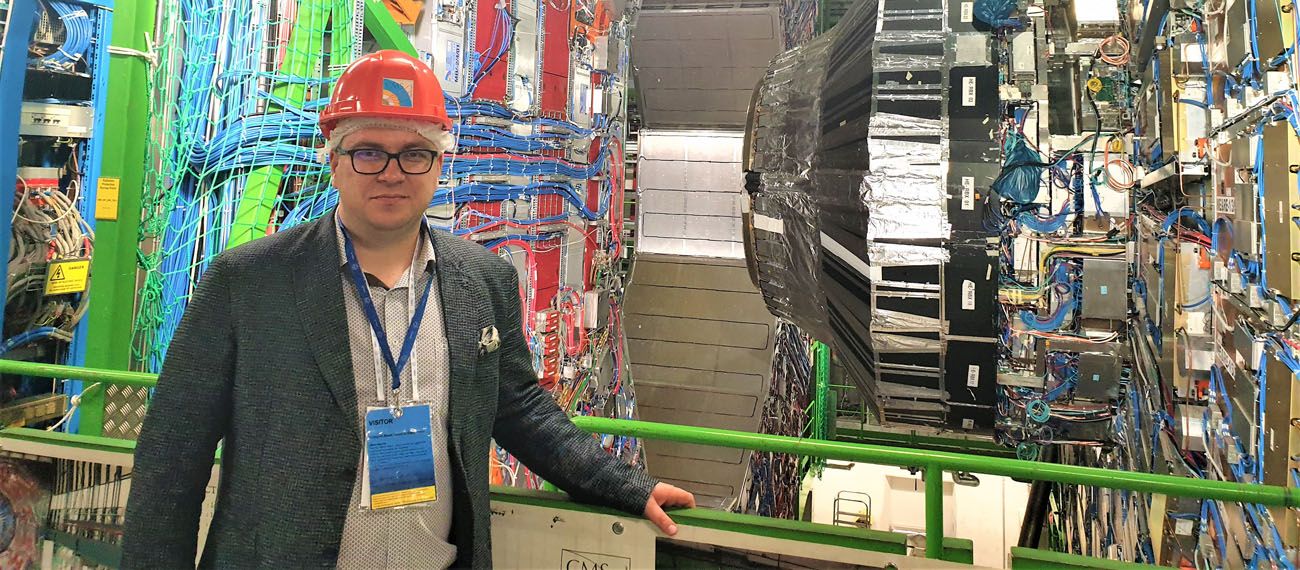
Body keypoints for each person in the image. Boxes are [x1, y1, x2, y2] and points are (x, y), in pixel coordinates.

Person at [121, 50, 694, 569]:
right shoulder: (246, 283)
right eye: (369, 151)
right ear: (335, 159)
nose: (392, 172)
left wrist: (626, 486)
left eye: (414, 153)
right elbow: (172, 460)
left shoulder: (484, 280)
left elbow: (520, 409)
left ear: (438, 165)